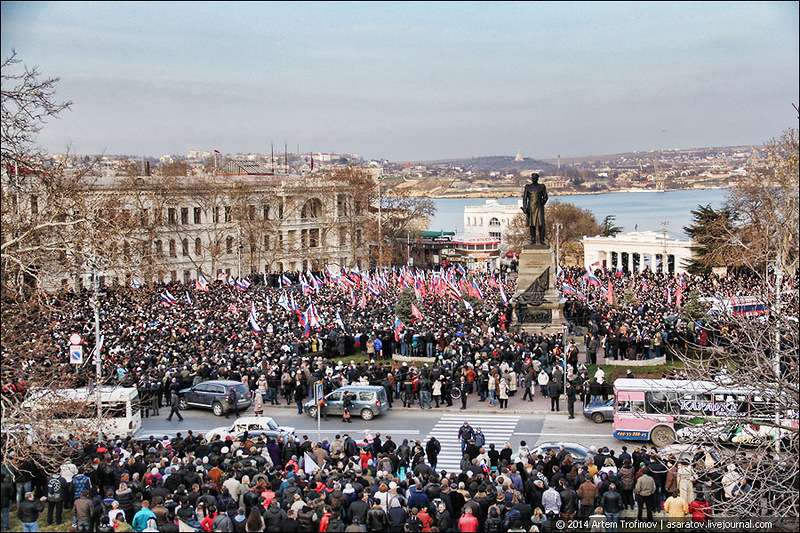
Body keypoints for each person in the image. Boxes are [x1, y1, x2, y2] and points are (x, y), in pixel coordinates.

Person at [522, 173, 548, 245]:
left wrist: (542, 203)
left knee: (541, 224)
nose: (534, 179)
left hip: (539, 207)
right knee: (532, 224)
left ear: (537, 179)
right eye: (533, 178)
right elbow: (525, 198)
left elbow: (545, 197)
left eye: (535, 178)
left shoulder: (541, 186)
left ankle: (542, 239)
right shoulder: (528, 187)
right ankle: (533, 240)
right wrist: (524, 207)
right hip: (531, 207)